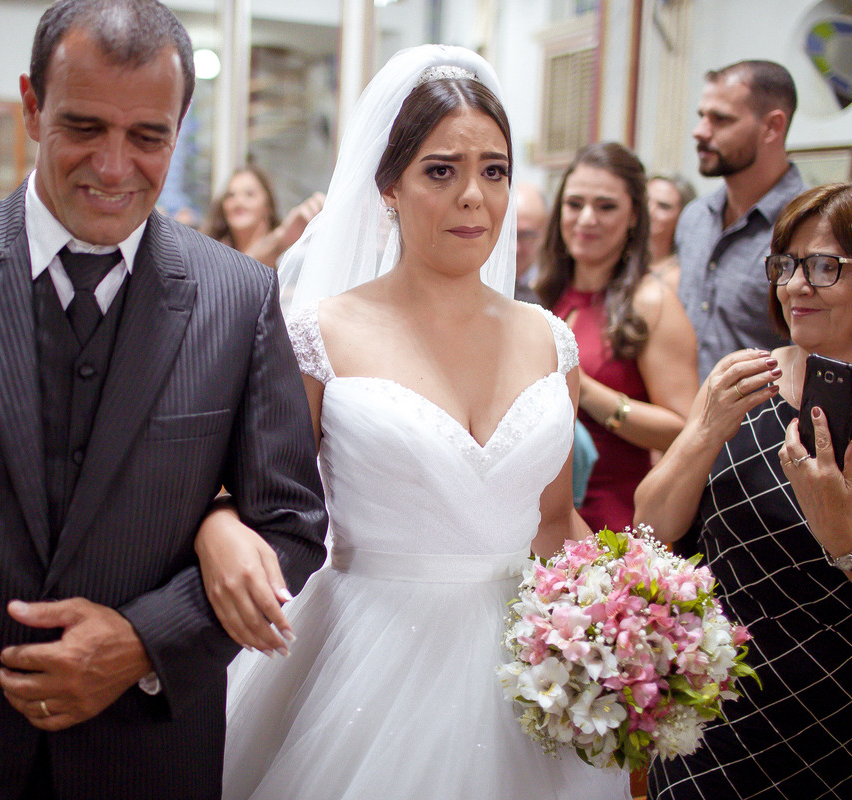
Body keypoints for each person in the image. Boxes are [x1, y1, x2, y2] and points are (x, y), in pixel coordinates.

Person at [0, 1, 327, 798]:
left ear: (178, 129)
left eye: (147, 136)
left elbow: (290, 525)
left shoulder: (239, 298)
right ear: (31, 106)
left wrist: (144, 641)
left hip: (146, 762)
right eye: (84, 127)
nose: (114, 167)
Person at [192, 45, 630, 800]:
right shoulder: (318, 333)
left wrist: (630, 622)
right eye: (441, 171)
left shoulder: (549, 340)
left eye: (494, 171)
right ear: (389, 185)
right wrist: (215, 524)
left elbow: (556, 521)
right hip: (369, 657)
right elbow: (259, 497)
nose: (473, 197)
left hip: (529, 667)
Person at [637, 183, 852, 799]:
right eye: (785, 265)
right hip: (715, 729)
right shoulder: (742, 380)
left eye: (824, 267)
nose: (795, 286)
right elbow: (652, 527)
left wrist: (844, 540)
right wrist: (706, 430)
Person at [535, 142, 698, 533]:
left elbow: (684, 430)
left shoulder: (652, 302)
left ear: (633, 216)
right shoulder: (547, 294)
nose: (586, 219)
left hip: (613, 525)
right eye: (574, 204)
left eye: (605, 207)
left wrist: (585, 389)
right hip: (541, 518)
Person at [677, 60, 805, 380]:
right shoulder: (694, 217)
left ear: (772, 126)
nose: (700, 131)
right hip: (686, 409)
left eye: (720, 119)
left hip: (767, 411)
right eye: (702, 116)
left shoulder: (810, 228)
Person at [203, 165, 325, 269]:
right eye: (230, 196)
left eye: (249, 194)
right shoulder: (210, 255)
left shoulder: (290, 256)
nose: (238, 202)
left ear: (268, 206)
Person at [646, 174, 694, 294]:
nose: (649, 211)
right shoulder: (615, 256)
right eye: (645, 201)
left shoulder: (681, 276)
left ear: (683, 216)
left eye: (663, 206)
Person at [513, 179, 548, 302]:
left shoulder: (553, 290)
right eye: (508, 236)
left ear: (545, 235)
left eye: (525, 236)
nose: (514, 247)